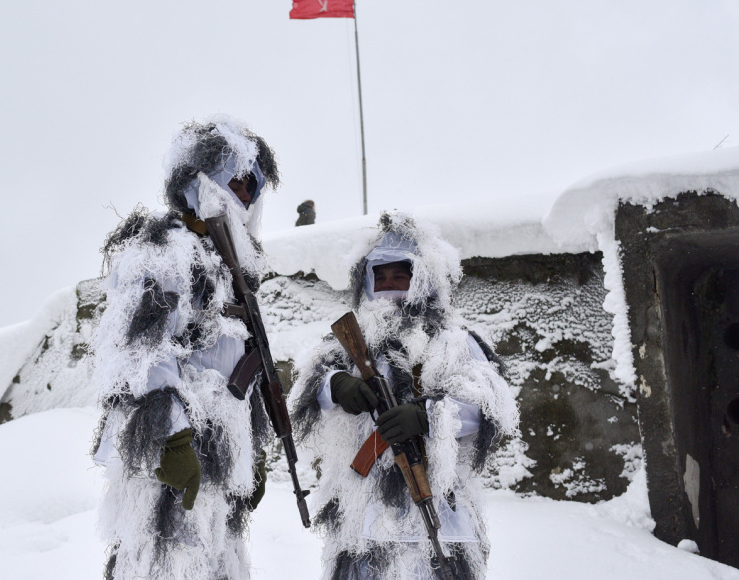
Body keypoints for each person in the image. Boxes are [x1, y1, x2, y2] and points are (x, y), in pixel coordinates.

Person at [90, 117, 280, 580]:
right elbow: (137, 354)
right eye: (232, 179)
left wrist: (250, 452)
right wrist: (170, 437)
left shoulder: (234, 273)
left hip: (220, 458)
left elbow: (243, 369)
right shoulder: (163, 252)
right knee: (163, 562)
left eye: (251, 186)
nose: (243, 195)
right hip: (171, 457)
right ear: (198, 180)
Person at [289, 211, 518, 580]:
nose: (390, 284)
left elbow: (488, 404)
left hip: (438, 508)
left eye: (401, 274)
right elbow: (306, 385)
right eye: (380, 276)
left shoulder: (455, 341)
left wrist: (427, 416)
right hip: (363, 513)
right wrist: (337, 385)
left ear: (423, 278)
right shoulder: (348, 342)